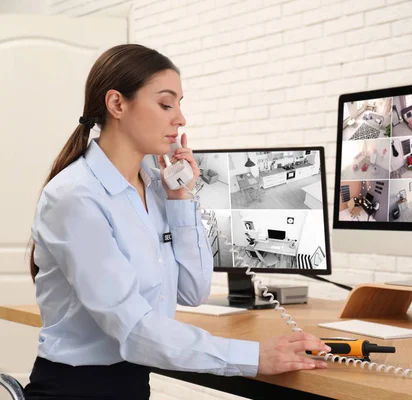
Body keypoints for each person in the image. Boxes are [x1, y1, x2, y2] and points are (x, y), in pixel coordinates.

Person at [23, 44, 330, 400]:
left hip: (132, 384)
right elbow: (134, 330)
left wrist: (181, 198)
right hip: (77, 390)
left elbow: (192, 290)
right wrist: (253, 356)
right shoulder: (75, 197)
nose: (180, 118)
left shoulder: (155, 187)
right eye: (167, 104)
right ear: (117, 104)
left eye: (180, 104)